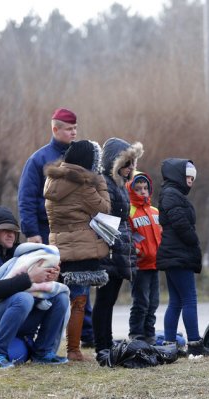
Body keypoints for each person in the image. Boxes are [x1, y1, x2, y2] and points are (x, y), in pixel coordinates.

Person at [17, 108, 96, 348]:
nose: (74, 132)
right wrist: (32, 233)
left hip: (76, 231)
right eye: (69, 129)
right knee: (47, 286)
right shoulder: (39, 160)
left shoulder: (83, 157)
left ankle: (87, 334)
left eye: (75, 128)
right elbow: (27, 198)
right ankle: (42, 337)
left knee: (80, 282)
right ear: (55, 129)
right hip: (46, 231)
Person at [0, 206, 69, 368]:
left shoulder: (18, 254)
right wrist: (31, 277)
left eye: (14, 230)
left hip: (17, 313)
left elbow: (36, 287)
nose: (11, 234)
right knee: (23, 298)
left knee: (59, 296)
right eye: (5, 230)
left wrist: (51, 276)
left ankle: (43, 353)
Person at [44, 139, 111, 361]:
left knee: (57, 301)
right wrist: (99, 180)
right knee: (78, 302)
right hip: (80, 249)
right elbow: (104, 208)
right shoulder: (83, 185)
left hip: (57, 248)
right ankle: (73, 350)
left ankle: (48, 348)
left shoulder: (53, 180)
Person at [157, 158, 209, 356]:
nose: (190, 181)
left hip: (174, 254)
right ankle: (195, 344)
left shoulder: (172, 194)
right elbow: (180, 223)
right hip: (178, 254)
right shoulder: (172, 195)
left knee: (176, 301)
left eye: (193, 178)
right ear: (177, 176)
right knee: (189, 299)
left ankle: (170, 344)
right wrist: (193, 240)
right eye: (188, 177)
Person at [93, 137, 143, 354]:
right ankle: (101, 345)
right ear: (115, 163)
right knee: (104, 300)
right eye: (126, 163)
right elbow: (104, 218)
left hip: (118, 247)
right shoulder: (105, 183)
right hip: (109, 249)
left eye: (132, 163)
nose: (131, 168)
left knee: (110, 299)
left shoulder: (119, 185)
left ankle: (107, 341)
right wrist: (118, 242)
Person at [127, 171, 162, 344]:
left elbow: (160, 233)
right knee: (141, 302)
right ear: (131, 190)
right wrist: (137, 249)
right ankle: (136, 334)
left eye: (145, 188)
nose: (143, 192)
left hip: (155, 263)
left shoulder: (155, 211)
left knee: (153, 302)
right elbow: (128, 235)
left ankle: (150, 334)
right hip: (140, 265)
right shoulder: (130, 211)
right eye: (138, 188)